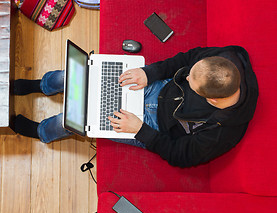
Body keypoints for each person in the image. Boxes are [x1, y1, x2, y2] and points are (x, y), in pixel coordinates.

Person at [12, 46, 258, 168]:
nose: (185, 78)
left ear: (211, 100)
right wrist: (149, 72)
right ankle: (43, 85)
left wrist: (140, 130)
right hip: (157, 86)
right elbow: (184, 60)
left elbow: (179, 157)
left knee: (80, 118)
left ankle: (43, 132)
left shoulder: (222, 132)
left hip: (150, 126)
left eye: (191, 84)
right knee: (82, 75)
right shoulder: (227, 57)